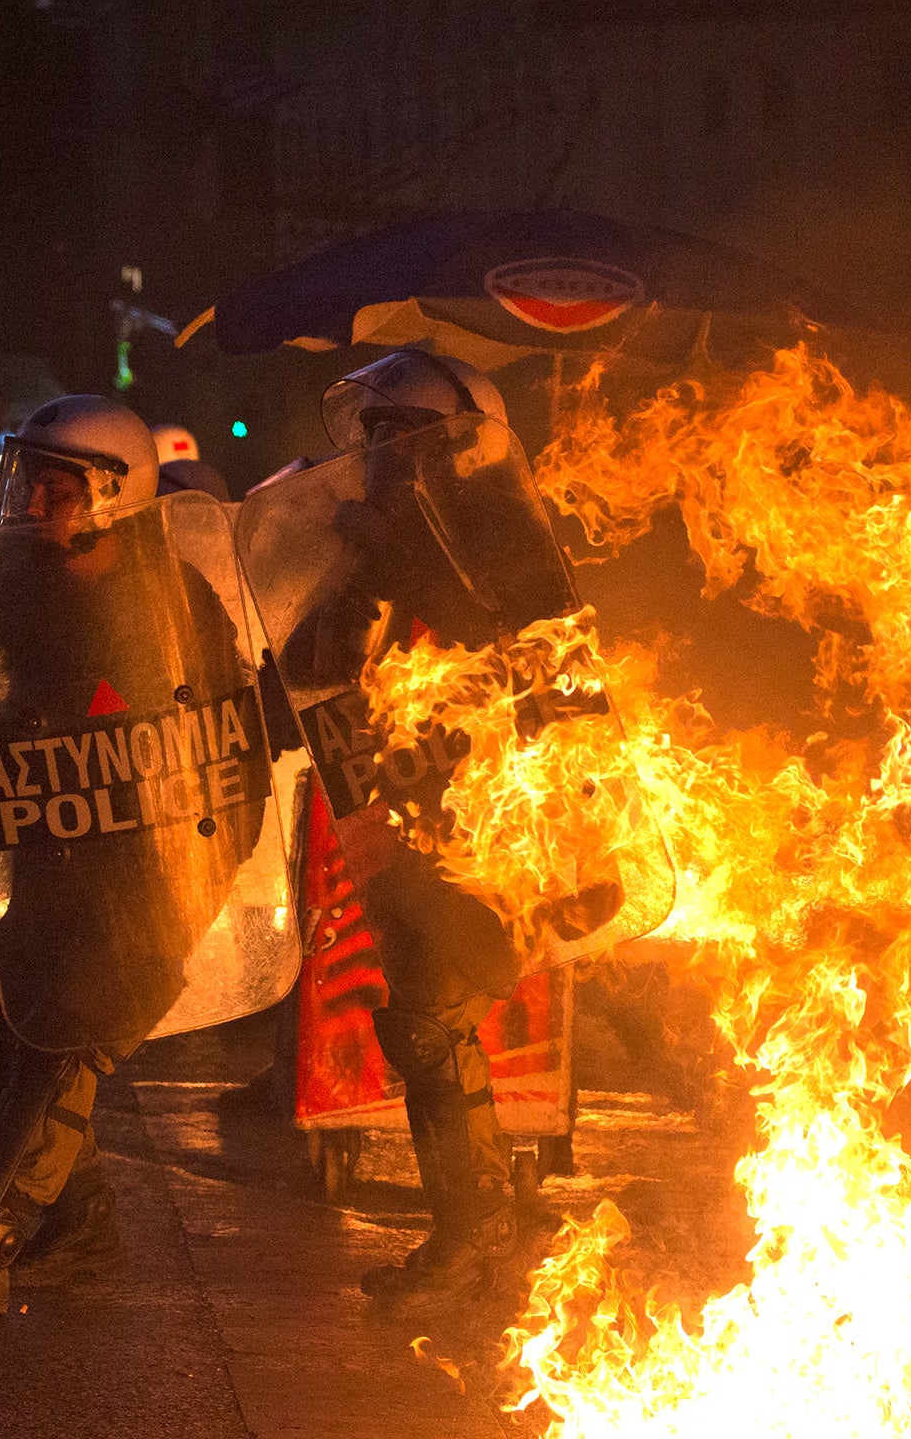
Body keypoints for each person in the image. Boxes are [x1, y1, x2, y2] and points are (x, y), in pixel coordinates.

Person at [0, 395, 268, 1314]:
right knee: (2, 1030)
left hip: (158, 862)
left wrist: (189, 882)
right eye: (26, 481)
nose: (31, 505)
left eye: (55, 489)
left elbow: (228, 744)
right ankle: (78, 1232)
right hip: (63, 848)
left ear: (113, 497)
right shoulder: (30, 589)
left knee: (64, 1039)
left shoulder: (170, 601)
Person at [269, 349, 544, 1319]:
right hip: (384, 813)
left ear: (460, 447)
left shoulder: (496, 539)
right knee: (430, 1027)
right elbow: (316, 670)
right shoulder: (365, 545)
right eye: (375, 438)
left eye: (405, 439)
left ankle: (472, 1238)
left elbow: (507, 644)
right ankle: (474, 1234)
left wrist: (390, 549)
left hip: (476, 823)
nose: (383, 457)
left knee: (430, 1023)